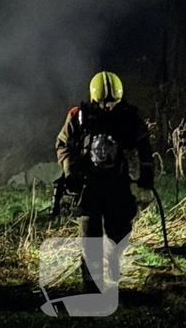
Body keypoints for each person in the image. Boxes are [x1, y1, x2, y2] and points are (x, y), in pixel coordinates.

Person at [55, 71, 154, 293]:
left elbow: (144, 147)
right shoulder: (79, 116)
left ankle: (113, 256)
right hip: (88, 185)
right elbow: (63, 144)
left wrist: (146, 172)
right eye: (103, 102)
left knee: (121, 231)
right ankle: (92, 288)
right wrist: (71, 170)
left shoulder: (129, 117)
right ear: (94, 99)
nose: (108, 107)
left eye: (112, 102)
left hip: (117, 183)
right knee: (90, 237)